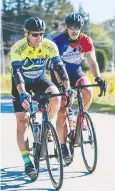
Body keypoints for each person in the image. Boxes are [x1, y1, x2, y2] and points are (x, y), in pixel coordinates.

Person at [9, 17, 74, 179]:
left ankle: (47, 127)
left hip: (39, 78)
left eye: (41, 34)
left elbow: (59, 66)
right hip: (21, 82)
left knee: (56, 98)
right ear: (27, 34)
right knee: (22, 120)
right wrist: (23, 92)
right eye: (35, 35)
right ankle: (27, 162)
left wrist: (67, 87)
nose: (39, 38)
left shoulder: (49, 45)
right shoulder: (18, 48)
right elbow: (17, 72)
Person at [50, 13, 107, 165]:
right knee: (62, 108)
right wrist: (64, 85)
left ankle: (80, 117)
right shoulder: (57, 42)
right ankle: (62, 145)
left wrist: (98, 78)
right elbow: (55, 66)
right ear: (66, 27)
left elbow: (92, 59)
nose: (75, 31)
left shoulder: (85, 40)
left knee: (88, 90)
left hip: (75, 71)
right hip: (59, 74)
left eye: (78, 28)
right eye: (72, 28)